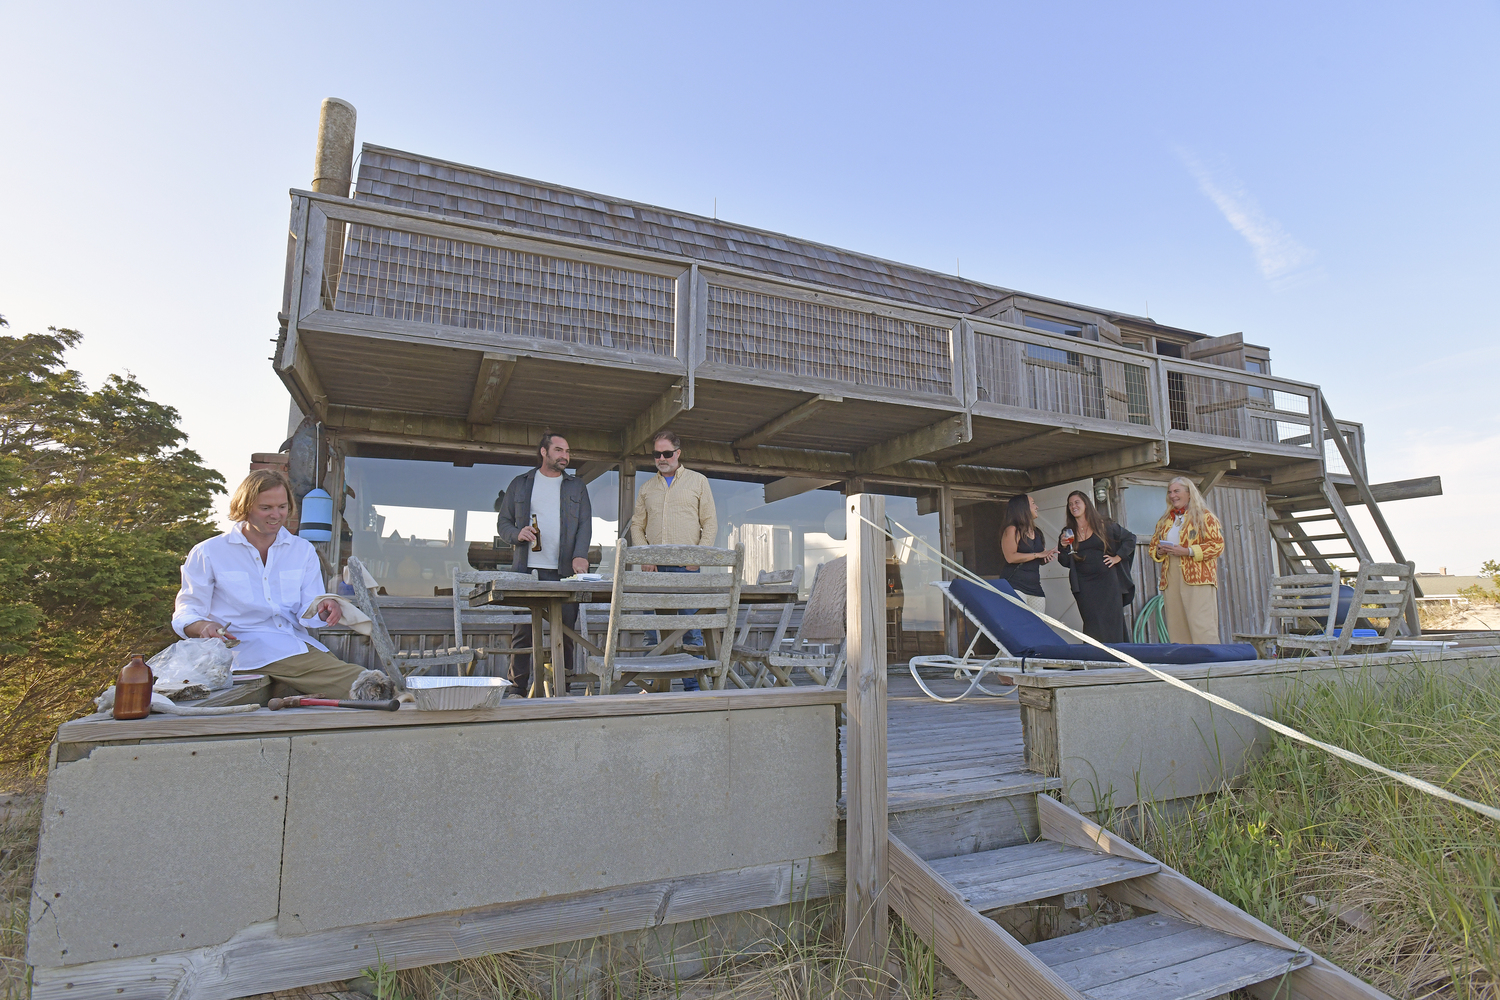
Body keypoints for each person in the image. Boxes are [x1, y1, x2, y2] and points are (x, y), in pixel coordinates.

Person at [172, 469, 364, 698]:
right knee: (357, 683)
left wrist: (324, 608)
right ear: (244, 508)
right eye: (266, 508)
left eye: (282, 507)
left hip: (294, 648)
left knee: (339, 686)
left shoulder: (302, 551)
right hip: (239, 652)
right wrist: (203, 627)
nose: (276, 515)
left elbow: (309, 608)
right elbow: (187, 611)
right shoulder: (208, 552)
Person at [496, 433, 593, 696]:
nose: (565, 456)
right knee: (523, 633)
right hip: (527, 571)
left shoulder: (577, 486)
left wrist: (580, 554)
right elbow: (503, 523)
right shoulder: (520, 484)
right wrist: (517, 534)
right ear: (543, 452)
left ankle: (565, 687)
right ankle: (517, 689)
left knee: (566, 633)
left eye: (568, 451)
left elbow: (585, 524)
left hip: (564, 573)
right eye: (559, 450)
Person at [629, 431, 718, 690]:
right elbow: (637, 525)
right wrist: (646, 556)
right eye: (657, 454)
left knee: (690, 628)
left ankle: (694, 690)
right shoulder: (646, 488)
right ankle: (654, 687)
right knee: (651, 629)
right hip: (653, 569)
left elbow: (709, 522)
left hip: (687, 568)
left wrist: (697, 557)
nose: (661, 458)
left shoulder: (698, 481)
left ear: (678, 453)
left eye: (667, 453)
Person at [1148, 476, 1225, 644]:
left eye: (1177, 491)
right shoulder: (1165, 520)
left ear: (1189, 493)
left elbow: (1217, 546)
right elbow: (1153, 547)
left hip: (1198, 576)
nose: (1172, 495)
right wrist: (1160, 551)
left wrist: (1188, 551)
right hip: (1171, 574)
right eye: (1170, 492)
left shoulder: (1205, 517)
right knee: (1176, 624)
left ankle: (1211, 665)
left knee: (1201, 624)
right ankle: (1186, 665)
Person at [1055, 491, 1135, 643]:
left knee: (1112, 621)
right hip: (1084, 585)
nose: (1073, 506)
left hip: (1108, 583)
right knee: (1092, 622)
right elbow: (1064, 561)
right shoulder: (1068, 532)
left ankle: (1119, 659)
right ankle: (1095, 659)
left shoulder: (1104, 525)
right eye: (1070, 504)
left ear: (1086, 504)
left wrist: (1117, 557)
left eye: (1077, 502)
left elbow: (1130, 539)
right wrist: (1063, 546)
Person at [998, 494, 1056, 613]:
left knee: (1038, 625)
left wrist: (1045, 558)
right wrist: (1038, 555)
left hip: (1035, 586)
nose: (1037, 507)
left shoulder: (1037, 532)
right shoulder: (1012, 529)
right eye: (1033, 503)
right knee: (1019, 624)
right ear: (1023, 508)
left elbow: (1038, 559)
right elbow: (1010, 557)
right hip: (1015, 585)